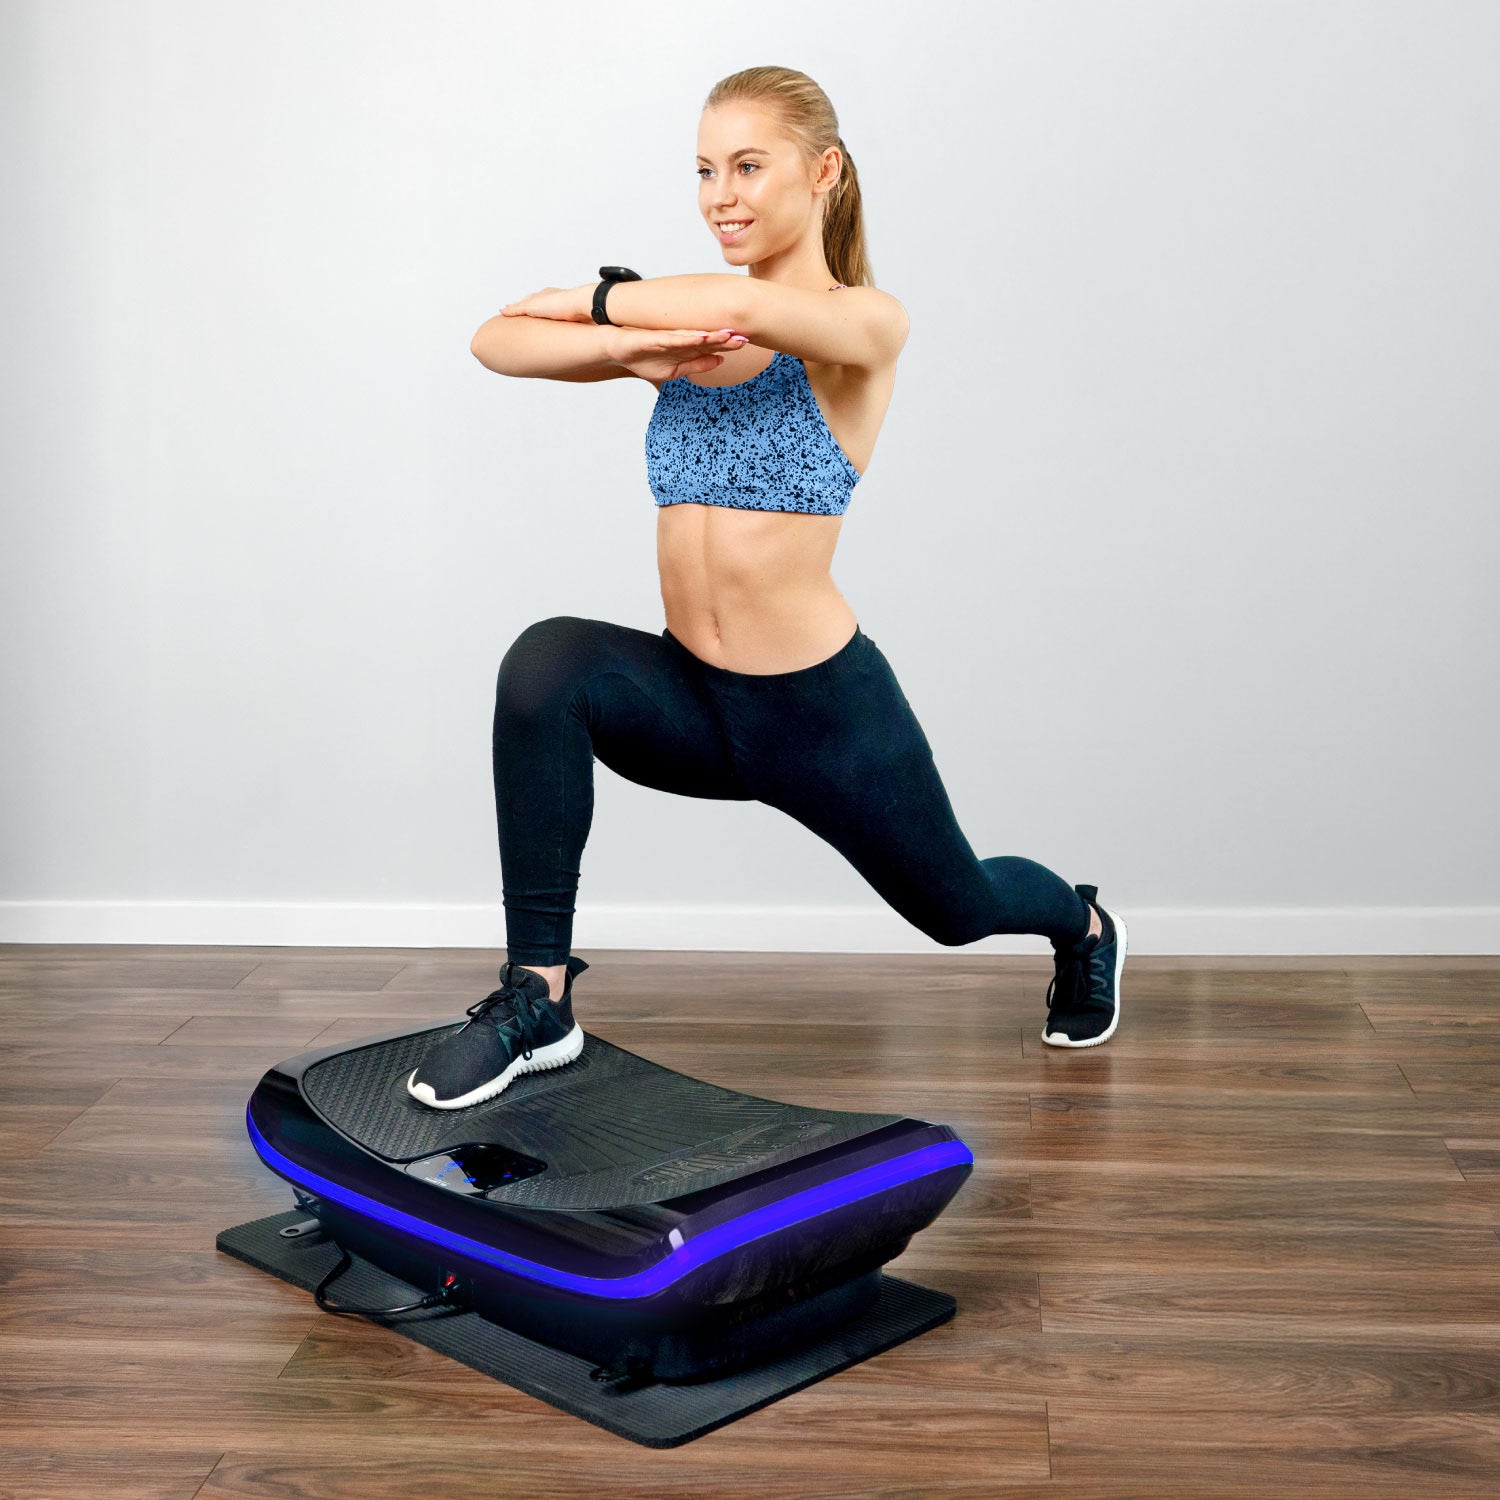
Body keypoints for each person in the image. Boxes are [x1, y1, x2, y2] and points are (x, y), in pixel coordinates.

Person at [406, 65, 1127, 1112]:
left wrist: (593, 300)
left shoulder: (866, 324)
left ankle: (1084, 924)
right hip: (690, 700)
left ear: (823, 172)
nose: (721, 197)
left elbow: (747, 302)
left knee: (959, 907)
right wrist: (628, 346)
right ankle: (539, 997)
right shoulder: (682, 330)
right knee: (546, 663)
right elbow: (494, 340)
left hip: (822, 720)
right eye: (704, 171)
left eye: (748, 167)